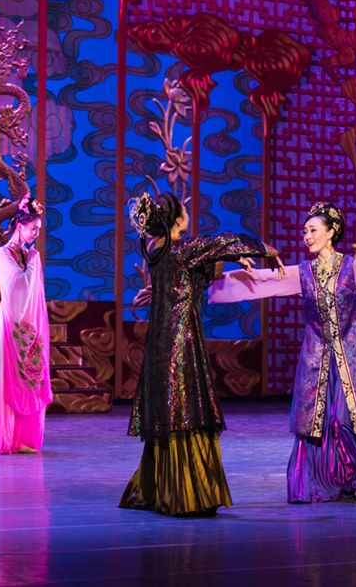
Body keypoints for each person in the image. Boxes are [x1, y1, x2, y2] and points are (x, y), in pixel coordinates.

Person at [209, 202, 356, 501]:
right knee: (324, 423)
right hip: (318, 358)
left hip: (354, 356)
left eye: (313, 230)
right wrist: (208, 284)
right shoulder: (304, 273)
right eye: (304, 232)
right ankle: (353, 478)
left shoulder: (350, 266)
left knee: (348, 418)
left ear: (331, 232)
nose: (307, 237)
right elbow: (261, 282)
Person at [120, 192, 281, 515]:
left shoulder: (159, 252)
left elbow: (198, 271)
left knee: (168, 412)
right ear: (177, 220)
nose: (188, 214)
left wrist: (232, 260)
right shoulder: (184, 248)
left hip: (158, 341)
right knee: (185, 409)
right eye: (184, 210)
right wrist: (266, 249)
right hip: (181, 338)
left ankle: (161, 489)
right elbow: (225, 241)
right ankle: (187, 494)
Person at [0, 195, 52, 455]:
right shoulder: (3, 253)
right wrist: (33, 264)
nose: (36, 234)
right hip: (9, 324)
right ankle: (4, 437)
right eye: (34, 229)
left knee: (30, 379)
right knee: (7, 383)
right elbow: (17, 289)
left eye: (39, 229)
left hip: (28, 324)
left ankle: (22, 438)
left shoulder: (29, 254)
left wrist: (32, 262)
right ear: (20, 226)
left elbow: (35, 293)